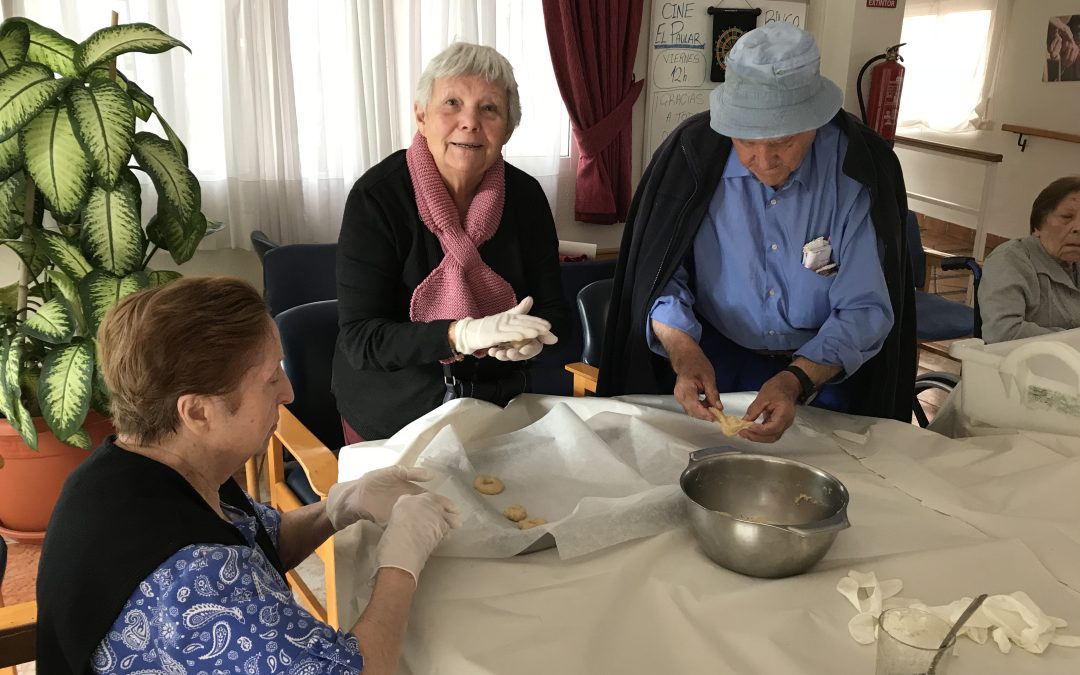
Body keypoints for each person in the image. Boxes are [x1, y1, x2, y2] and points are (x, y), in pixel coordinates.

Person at [36, 277, 460, 674]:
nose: (289, 392)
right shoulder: (193, 578)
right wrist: (401, 563)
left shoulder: (136, 468)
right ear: (198, 411)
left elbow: (254, 543)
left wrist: (337, 507)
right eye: (270, 376)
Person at [599, 22, 916, 442]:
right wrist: (683, 350)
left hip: (825, 369)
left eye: (783, 141)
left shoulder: (856, 170)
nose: (763, 161)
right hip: (715, 354)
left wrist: (797, 380)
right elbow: (660, 280)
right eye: (746, 140)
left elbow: (865, 309)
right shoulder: (691, 158)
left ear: (814, 124)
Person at [334, 42, 571, 442]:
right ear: (421, 115)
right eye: (452, 103)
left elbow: (553, 312)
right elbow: (361, 340)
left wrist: (533, 337)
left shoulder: (527, 198)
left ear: (508, 127)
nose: (470, 122)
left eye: (489, 108)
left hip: (499, 410)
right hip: (393, 416)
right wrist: (459, 334)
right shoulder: (376, 197)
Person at [978, 176, 1080, 343]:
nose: (1078, 228)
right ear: (1038, 225)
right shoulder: (1009, 260)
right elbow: (1003, 332)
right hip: (1019, 365)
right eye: (1066, 217)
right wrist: (1071, 341)